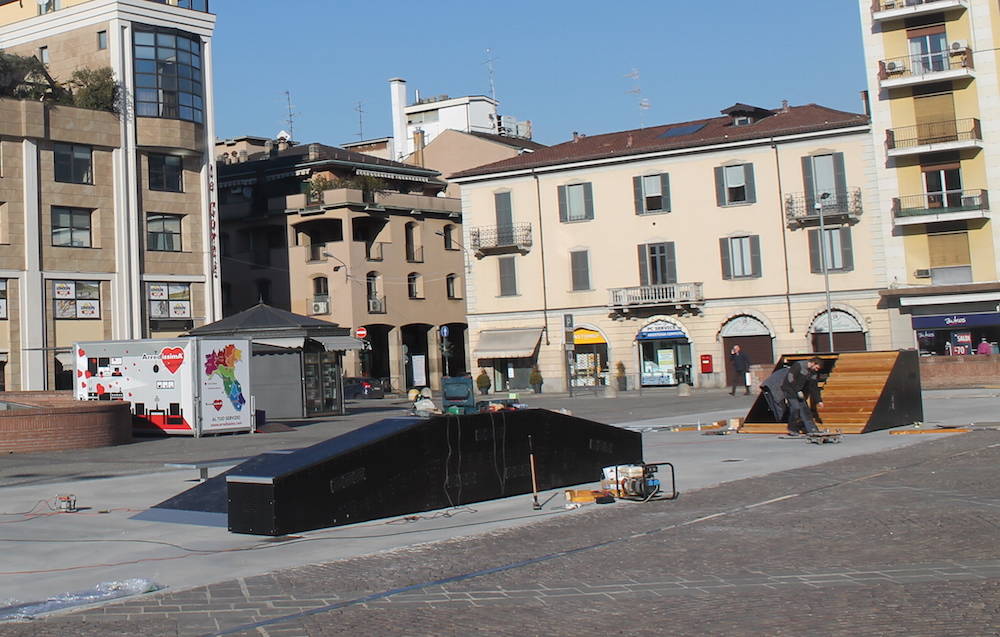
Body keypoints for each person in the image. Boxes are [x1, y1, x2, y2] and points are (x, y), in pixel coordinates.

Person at [781, 357, 824, 435]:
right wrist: (797, 390)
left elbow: (813, 388)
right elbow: (790, 378)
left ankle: (812, 429)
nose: (816, 370)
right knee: (795, 408)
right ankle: (792, 429)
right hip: (789, 390)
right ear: (813, 363)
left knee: (805, 410)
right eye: (816, 368)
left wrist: (819, 401)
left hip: (799, 392)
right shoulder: (799, 365)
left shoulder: (813, 373)